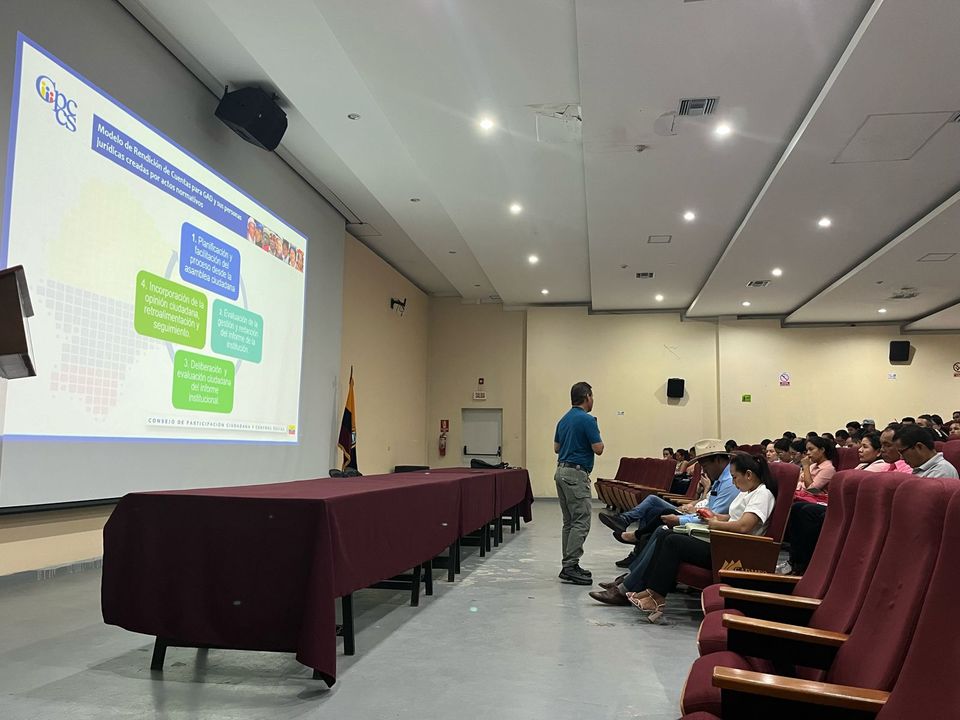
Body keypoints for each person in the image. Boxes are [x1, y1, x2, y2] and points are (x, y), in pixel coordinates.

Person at [622, 453, 777, 622]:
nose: (733, 482)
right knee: (666, 533)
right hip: (723, 542)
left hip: (734, 552)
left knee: (673, 542)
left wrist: (715, 524)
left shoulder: (763, 494)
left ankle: (656, 597)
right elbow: (732, 517)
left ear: (748, 474)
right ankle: (651, 591)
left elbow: (744, 526)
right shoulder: (747, 491)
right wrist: (714, 516)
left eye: (735, 477)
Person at [589, 441, 736, 605]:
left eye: (705, 465)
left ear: (718, 460)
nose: (703, 471)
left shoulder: (729, 482)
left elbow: (714, 517)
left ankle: (630, 585)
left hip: (713, 536)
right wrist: (694, 506)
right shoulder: (721, 480)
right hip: (703, 524)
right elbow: (711, 510)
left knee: (664, 531)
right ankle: (630, 581)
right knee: (658, 519)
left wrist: (680, 519)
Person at [554, 381, 604, 585]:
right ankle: (570, 565)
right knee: (581, 520)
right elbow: (598, 449)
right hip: (576, 474)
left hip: (561, 471)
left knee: (569, 521)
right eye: (592, 396)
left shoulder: (563, 420)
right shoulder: (587, 420)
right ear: (587, 397)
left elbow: (556, 448)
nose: (593, 400)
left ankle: (568, 564)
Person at [893, 424, 959, 479]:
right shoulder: (921, 468)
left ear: (919, 446)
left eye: (902, 452)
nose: (901, 458)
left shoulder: (941, 471)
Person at [794, 435, 837, 504]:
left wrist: (806, 466)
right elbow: (798, 481)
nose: (808, 453)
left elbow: (811, 490)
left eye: (811, 449)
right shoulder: (813, 465)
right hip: (803, 496)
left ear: (822, 450)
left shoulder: (828, 469)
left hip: (817, 501)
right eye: (807, 450)